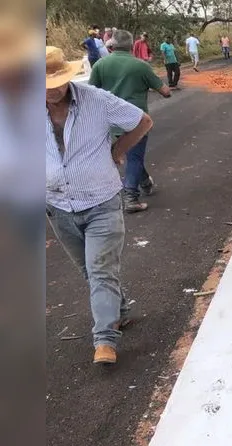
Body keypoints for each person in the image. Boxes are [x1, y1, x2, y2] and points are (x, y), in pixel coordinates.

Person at [46, 46, 154, 365]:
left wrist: (117, 150)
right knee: (89, 271)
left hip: (101, 201)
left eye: (58, 82)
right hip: (57, 206)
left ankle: (105, 339)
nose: (53, 90)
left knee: (100, 269)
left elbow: (142, 121)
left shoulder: (95, 99)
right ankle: (119, 310)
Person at [89, 30, 171, 213]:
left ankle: (144, 183)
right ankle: (131, 197)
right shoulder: (140, 66)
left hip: (108, 123)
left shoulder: (100, 65)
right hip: (135, 122)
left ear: (112, 45)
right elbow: (166, 92)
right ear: (131, 45)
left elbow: (90, 94)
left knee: (131, 156)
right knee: (134, 157)